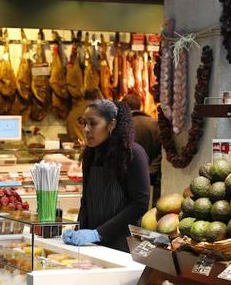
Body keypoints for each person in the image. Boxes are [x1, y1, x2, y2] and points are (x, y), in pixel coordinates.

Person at [63, 99, 150, 252]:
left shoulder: (133, 154)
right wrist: (79, 229)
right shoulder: (90, 154)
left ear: (112, 124)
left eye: (93, 123)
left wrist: (98, 233)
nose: (86, 129)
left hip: (123, 244)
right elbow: (87, 200)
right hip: (93, 246)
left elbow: (139, 204)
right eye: (84, 123)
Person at [124, 92, 162, 206]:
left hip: (129, 181)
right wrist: (149, 171)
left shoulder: (123, 126)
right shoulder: (154, 124)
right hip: (152, 181)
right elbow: (161, 153)